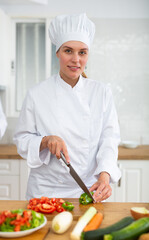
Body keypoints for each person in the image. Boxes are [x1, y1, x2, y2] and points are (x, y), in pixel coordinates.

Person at [13, 13, 121, 202]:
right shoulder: (37, 94)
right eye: (68, 51)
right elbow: (22, 140)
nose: (76, 60)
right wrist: (46, 141)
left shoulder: (101, 92)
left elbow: (109, 139)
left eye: (82, 52)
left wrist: (105, 175)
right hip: (45, 191)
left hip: (88, 189)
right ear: (57, 53)